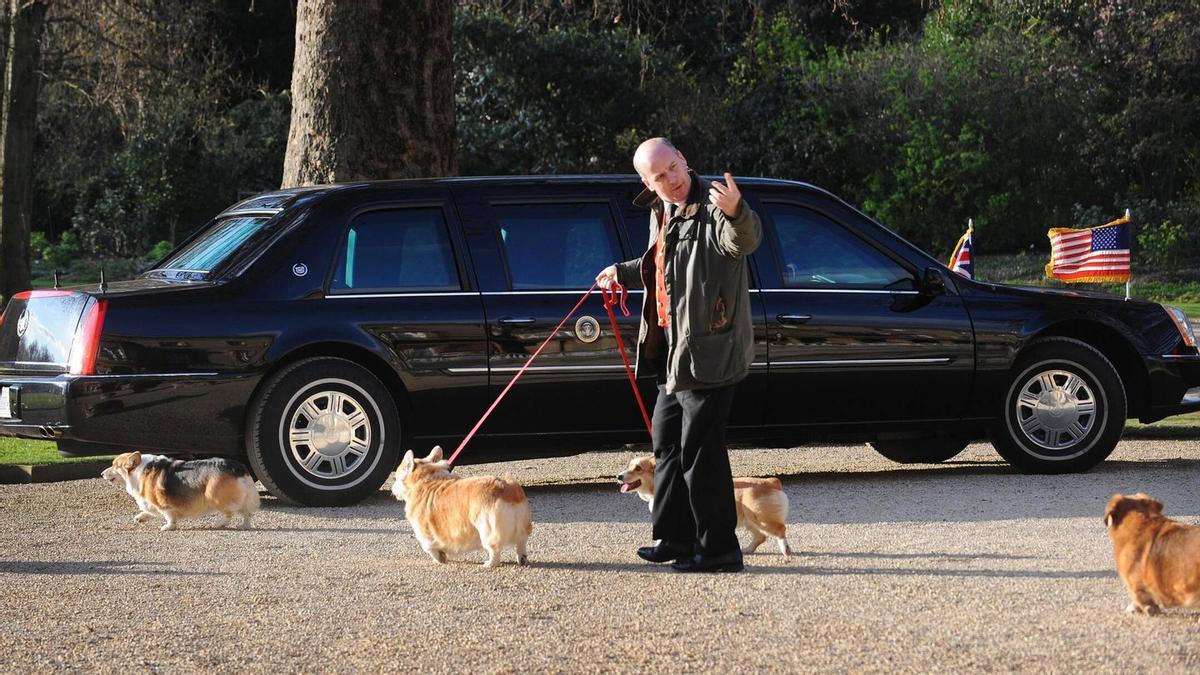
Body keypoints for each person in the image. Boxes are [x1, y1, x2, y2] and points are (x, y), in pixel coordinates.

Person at [596, 137, 761, 573]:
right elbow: (663, 264)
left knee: (700, 452)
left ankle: (721, 550)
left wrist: (737, 212)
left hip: (709, 352)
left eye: (672, 169)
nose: (670, 181)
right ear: (646, 182)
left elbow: (742, 241)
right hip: (670, 350)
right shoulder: (660, 210)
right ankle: (676, 539)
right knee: (665, 445)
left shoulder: (713, 206)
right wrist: (621, 272)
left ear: (683, 160)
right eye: (659, 176)